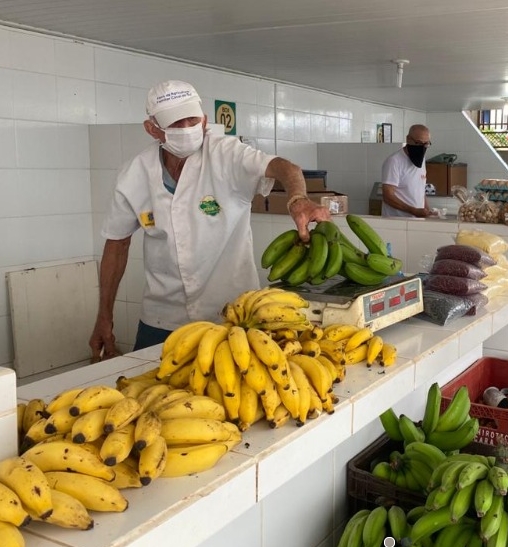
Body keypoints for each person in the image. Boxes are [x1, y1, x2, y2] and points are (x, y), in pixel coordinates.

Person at [89, 80, 330, 360]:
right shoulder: (134, 174)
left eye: (192, 119)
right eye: (176, 123)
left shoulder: (227, 154)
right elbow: (116, 245)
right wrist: (104, 316)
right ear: (152, 128)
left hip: (232, 315)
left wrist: (297, 199)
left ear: (204, 119)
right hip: (162, 318)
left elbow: (284, 167)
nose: (187, 128)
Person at [381, 124, 433, 217]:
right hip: (397, 222)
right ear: (408, 139)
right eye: (418, 143)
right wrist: (413, 211)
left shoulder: (421, 160)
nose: (422, 148)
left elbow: (420, 190)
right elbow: (388, 197)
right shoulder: (394, 162)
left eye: (426, 144)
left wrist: (428, 211)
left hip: (416, 221)